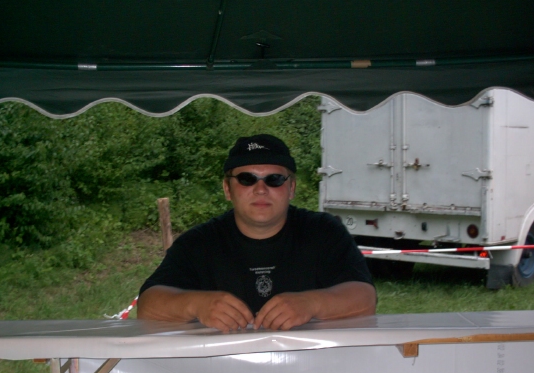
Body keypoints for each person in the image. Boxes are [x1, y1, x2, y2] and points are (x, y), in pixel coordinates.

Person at [136, 134, 376, 332]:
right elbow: (148, 305)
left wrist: (311, 303)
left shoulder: (323, 231)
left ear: (291, 188)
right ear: (227, 189)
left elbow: (364, 297)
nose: (261, 189)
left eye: (274, 179)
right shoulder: (199, 242)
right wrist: (197, 304)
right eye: (246, 179)